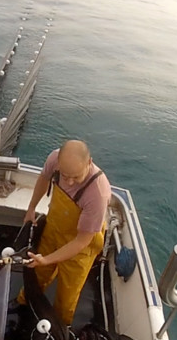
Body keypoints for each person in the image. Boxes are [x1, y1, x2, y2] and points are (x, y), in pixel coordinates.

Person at [14, 139, 112, 326]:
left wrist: (49, 259)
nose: (69, 181)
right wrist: (31, 208)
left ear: (89, 163)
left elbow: (82, 241)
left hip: (81, 246)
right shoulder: (54, 159)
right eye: (65, 175)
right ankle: (23, 304)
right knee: (37, 271)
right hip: (54, 228)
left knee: (67, 294)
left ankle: (59, 326)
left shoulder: (97, 194)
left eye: (76, 177)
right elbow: (43, 179)